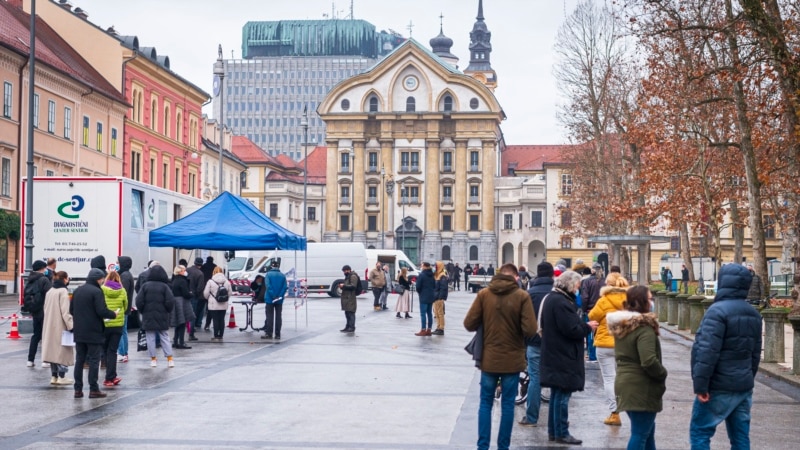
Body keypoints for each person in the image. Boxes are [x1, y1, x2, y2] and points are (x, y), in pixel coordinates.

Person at [464, 263, 538, 450]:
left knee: (485, 403)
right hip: (512, 362)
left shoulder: (484, 295)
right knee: (507, 405)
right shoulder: (522, 296)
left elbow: (469, 324)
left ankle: (483, 446)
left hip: (488, 359)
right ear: (515, 277)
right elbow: (530, 330)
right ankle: (503, 447)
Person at [690, 264, 762, 449]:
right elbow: (755, 354)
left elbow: (706, 352)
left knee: (700, 432)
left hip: (717, 386)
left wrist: (701, 385)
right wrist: (747, 378)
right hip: (743, 386)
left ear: (722, 282)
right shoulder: (754, 314)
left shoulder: (716, 311)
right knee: (740, 438)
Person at [540, 270, 598, 445]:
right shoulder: (561, 302)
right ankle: (562, 432)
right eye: (577, 286)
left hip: (555, 352)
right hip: (563, 354)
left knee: (557, 394)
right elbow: (571, 329)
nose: (578, 289)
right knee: (563, 395)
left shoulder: (553, 298)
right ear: (570, 285)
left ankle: (554, 431)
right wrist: (587, 327)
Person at [607, 286, 668, 450]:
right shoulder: (643, 328)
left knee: (646, 433)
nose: (652, 302)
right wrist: (662, 373)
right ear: (641, 302)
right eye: (649, 299)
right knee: (640, 435)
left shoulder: (624, 326)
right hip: (641, 387)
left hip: (626, 384)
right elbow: (648, 361)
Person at [588, 271, 630, 427]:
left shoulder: (603, 301)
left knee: (609, 378)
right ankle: (629, 407)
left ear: (608, 285)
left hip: (605, 345)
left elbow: (592, 316)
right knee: (622, 377)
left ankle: (614, 413)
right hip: (623, 344)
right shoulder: (629, 300)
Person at [70, 268, 117, 398]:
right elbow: (101, 311)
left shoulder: (78, 290)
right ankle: (93, 389)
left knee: (79, 360)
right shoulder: (97, 291)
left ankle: (78, 390)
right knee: (94, 360)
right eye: (102, 279)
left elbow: (71, 309)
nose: (103, 281)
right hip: (94, 332)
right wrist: (113, 314)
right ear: (98, 279)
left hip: (79, 332)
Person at [519, 261, 555, 428]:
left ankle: (531, 417)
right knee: (555, 379)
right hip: (555, 343)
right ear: (551, 275)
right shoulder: (557, 293)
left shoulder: (528, 293)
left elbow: (522, 319)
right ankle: (556, 418)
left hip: (533, 341)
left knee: (534, 378)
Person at [136, 264, 176, 367]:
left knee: (150, 337)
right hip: (162, 315)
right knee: (164, 336)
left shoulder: (145, 286)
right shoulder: (165, 287)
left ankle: (153, 359)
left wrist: (143, 311)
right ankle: (170, 359)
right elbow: (170, 301)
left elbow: (139, 301)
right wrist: (168, 310)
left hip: (148, 315)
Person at [42, 271, 74, 386]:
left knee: (52, 352)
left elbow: (45, 308)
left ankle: (54, 376)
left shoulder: (50, 291)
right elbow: (65, 311)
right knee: (62, 351)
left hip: (49, 325)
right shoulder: (63, 291)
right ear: (65, 279)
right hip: (60, 325)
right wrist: (71, 325)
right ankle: (62, 376)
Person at [100, 271, 127, 387]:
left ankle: (109, 376)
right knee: (113, 351)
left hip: (105, 324)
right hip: (118, 324)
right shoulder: (122, 290)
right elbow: (125, 306)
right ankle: (111, 376)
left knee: (105, 350)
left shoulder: (102, 289)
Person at [25, 260, 52, 367]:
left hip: (34, 311)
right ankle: (45, 360)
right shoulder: (44, 279)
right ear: (41, 268)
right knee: (45, 335)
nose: (46, 270)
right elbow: (50, 294)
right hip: (43, 310)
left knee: (36, 335)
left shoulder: (30, 279)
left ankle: (30, 360)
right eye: (45, 268)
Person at [581, 263, 605, 362]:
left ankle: (592, 356)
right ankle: (600, 355)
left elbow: (585, 297)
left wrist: (583, 309)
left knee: (590, 334)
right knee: (602, 332)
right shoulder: (605, 282)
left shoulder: (587, 281)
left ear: (592, 270)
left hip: (590, 310)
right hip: (603, 311)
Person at [170, 265, 195, 349]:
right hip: (182, 302)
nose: (185, 271)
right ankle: (181, 342)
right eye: (184, 270)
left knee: (178, 322)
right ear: (180, 271)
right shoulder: (182, 281)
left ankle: (175, 341)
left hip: (175, 301)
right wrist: (191, 294)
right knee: (182, 323)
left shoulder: (174, 280)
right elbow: (185, 293)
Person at [204, 266, 232, 342]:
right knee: (222, 319)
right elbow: (230, 293)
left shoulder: (210, 281)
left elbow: (206, 293)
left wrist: (209, 298)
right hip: (223, 304)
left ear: (214, 272)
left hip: (213, 304)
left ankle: (216, 335)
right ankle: (221, 335)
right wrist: (225, 298)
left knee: (215, 319)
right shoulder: (227, 282)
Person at [116, 256, 135, 363]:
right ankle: (124, 353)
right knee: (123, 330)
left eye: (118, 262)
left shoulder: (124, 276)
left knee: (121, 331)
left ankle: (122, 353)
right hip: (125, 307)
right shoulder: (126, 274)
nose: (116, 264)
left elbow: (121, 291)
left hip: (122, 308)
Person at [262, 261, 288, 340]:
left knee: (269, 316)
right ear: (278, 266)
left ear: (271, 266)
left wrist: (273, 296)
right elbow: (284, 287)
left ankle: (269, 333)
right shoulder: (283, 276)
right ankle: (277, 334)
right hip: (279, 300)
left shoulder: (268, 275)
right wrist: (279, 296)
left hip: (270, 299)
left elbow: (268, 286)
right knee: (278, 316)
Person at [187, 257, 206, 341]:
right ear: (201, 265)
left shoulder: (187, 270)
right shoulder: (200, 274)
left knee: (184, 314)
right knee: (192, 315)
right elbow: (200, 287)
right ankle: (191, 333)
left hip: (185, 295)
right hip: (194, 296)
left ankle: (185, 330)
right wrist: (197, 295)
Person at [414, 262, 435, 336]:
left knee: (423, 314)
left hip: (423, 296)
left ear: (425, 267)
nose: (421, 267)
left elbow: (418, 286)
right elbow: (434, 285)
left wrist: (420, 293)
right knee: (429, 313)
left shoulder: (422, 275)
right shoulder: (432, 275)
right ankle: (429, 329)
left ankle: (423, 329)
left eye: (422, 265)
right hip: (431, 296)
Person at [339, 265, 359, 332]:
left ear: (349, 270)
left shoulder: (353, 276)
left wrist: (344, 286)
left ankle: (351, 327)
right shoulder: (348, 276)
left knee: (351, 313)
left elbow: (353, 286)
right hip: (347, 297)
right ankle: (347, 326)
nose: (344, 272)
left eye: (345, 271)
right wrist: (342, 287)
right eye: (344, 271)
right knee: (347, 312)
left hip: (350, 297)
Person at [431, 261, 449, 335]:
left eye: (436, 266)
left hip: (438, 297)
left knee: (440, 313)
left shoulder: (442, 275)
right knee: (436, 313)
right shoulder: (436, 275)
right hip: (435, 297)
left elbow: (443, 288)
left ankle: (441, 328)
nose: (435, 267)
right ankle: (438, 327)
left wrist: (441, 297)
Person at [201, 256, 218, 331]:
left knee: (202, 308)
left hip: (205, 287)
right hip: (214, 292)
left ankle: (201, 323)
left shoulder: (203, 266)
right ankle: (213, 324)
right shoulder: (215, 267)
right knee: (213, 310)